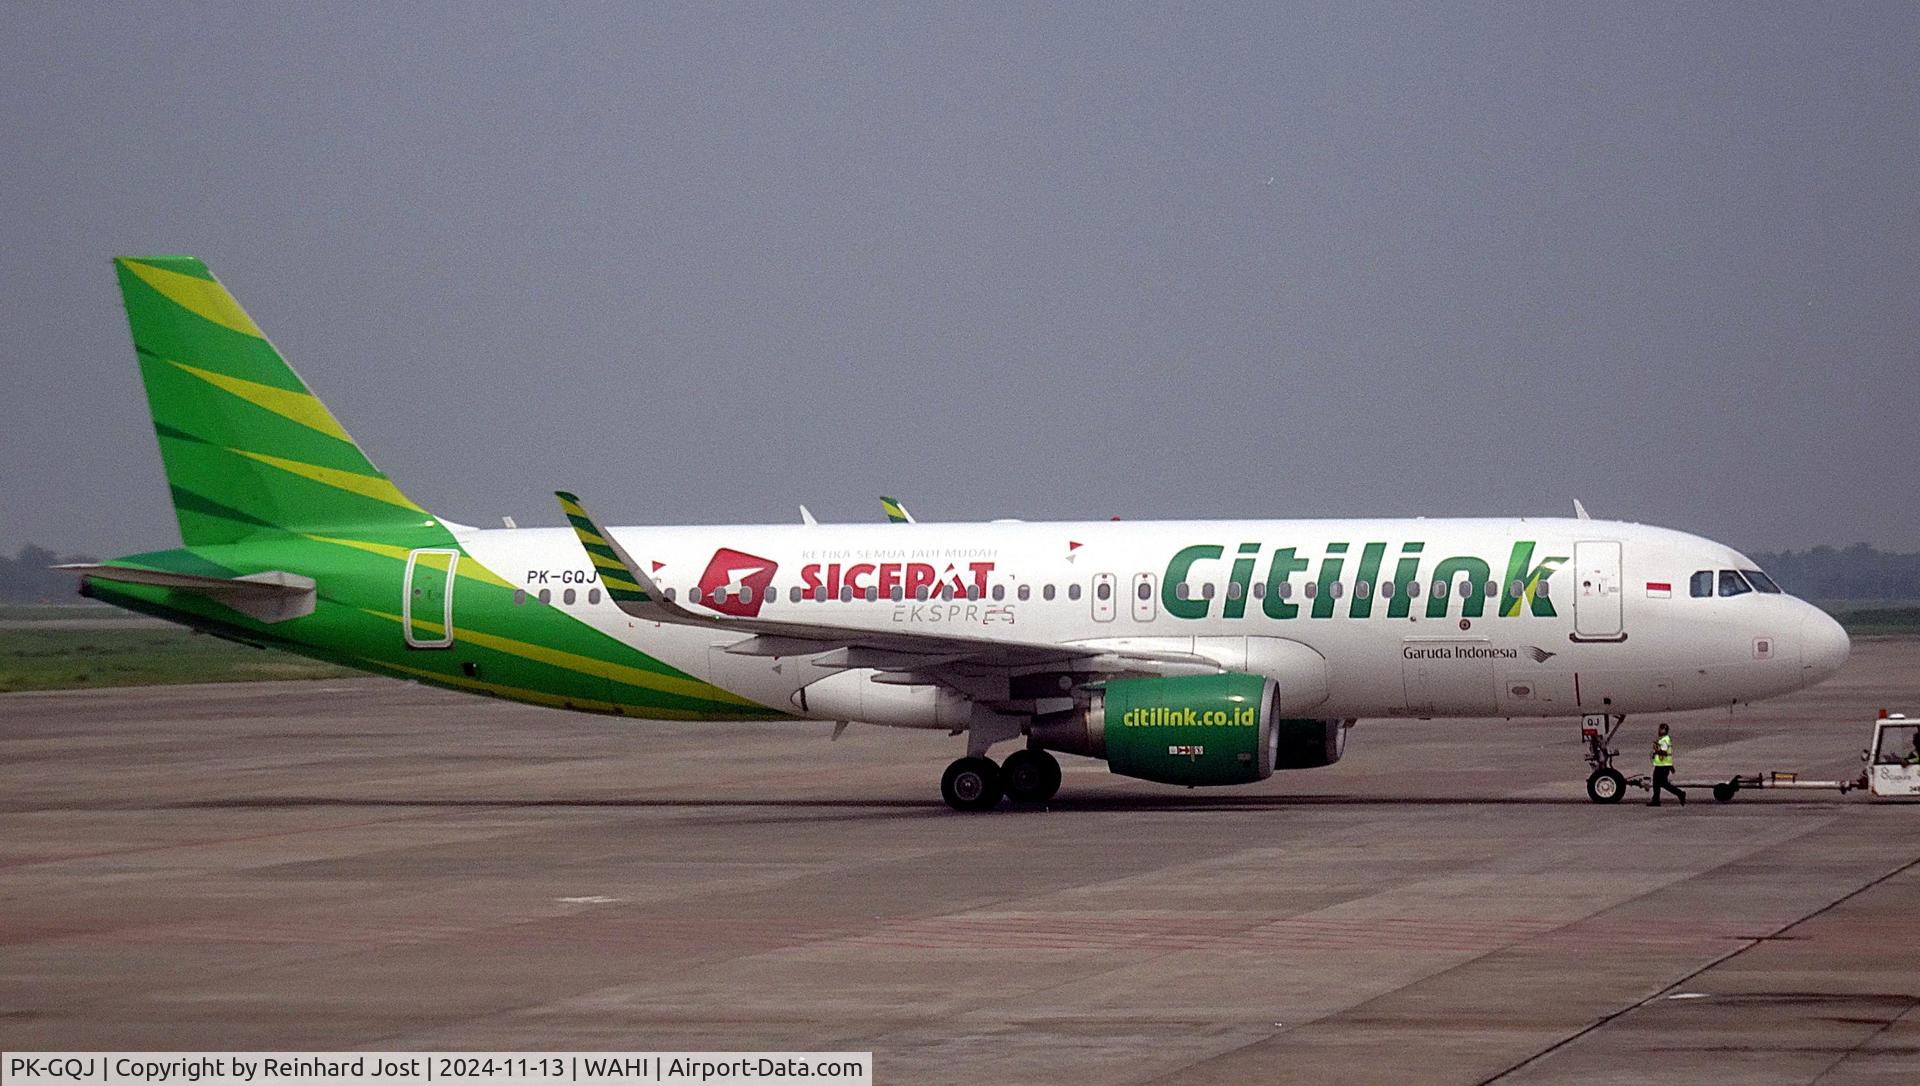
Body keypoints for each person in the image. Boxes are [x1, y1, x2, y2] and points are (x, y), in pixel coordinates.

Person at [1649, 723, 1686, 806]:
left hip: (1663, 766)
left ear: (1664, 730)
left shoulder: (1664, 740)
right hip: (1662, 765)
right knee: (1657, 783)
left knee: (1661, 783)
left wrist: (1656, 749)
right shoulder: (1663, 739)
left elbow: (1664, 753)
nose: (1658, 731)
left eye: (1660, 729)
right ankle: (1656, 800)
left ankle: (1679, 793)